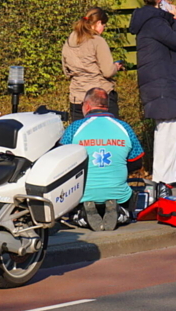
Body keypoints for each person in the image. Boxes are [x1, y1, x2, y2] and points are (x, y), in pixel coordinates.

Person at [128, 0, 176, 190]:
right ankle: (163, 177)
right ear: (160, 1)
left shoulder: (149, 20)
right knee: (168, 128)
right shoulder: (156, 22)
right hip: (163, 81)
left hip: (158, 81)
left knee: (166, 127)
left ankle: (166, 175)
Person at [59, 88, 144, 231]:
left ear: (86, 105)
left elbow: (61, 160)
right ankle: (118, 211)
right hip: (118, 193)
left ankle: (82, 214)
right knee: (127, 197)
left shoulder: (75, 128)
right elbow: (136, 162)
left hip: (81, 194)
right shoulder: (124, 127)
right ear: (106, 105)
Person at [62, 7, 123, 122]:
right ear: (98, 23)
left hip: (77, 97)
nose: (103, 29)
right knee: (107, 136)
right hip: (100, 97)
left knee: (81, 136)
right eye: (104, 26)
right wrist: (116, 67)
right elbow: (108, 71)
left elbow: (66, 71)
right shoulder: (97, 41)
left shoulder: (69, 41)